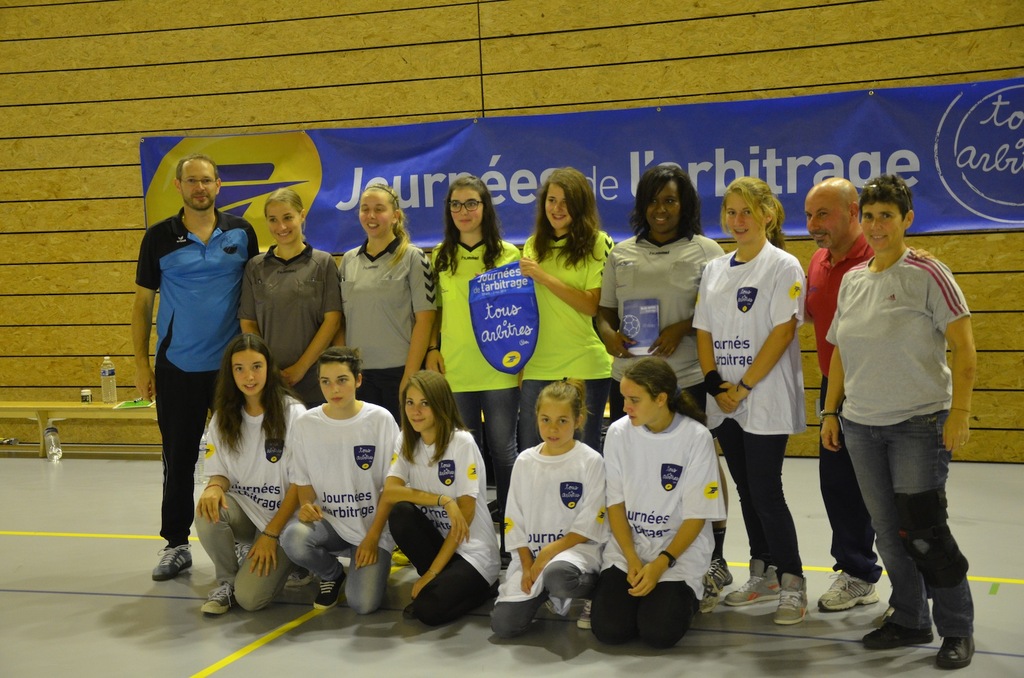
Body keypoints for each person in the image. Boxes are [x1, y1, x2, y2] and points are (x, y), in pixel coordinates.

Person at [821, 174, 976, 669]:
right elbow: (839, 350)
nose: (876, 225)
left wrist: (960, 413)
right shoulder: (853, 279)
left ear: (907, 219)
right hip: (861, 427)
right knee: (888, 534)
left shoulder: (928, 273)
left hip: (917, 424)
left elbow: (965, 349)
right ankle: (909, 617)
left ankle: (957, 627)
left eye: (886, 216)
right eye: (869, 216)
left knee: (925, 533)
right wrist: (831, 410)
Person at [596, 164, 732, 610]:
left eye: (670, 201)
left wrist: (682, 327)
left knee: (703, 468)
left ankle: (715, 558)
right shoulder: (621, 253)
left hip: (687, 378)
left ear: (684, 204)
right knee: (633, 469)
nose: (661, 209)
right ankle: (633, 553)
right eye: (653, 201)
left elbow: (716, 313)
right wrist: (608, 335)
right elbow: (604, 312)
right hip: (630, 379)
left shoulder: (707, 252)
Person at [133, 153, 258, 581]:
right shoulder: (158, 237)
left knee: (241, 457)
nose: (199, 188)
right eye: (191, 180)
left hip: (232, 370)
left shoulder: (241, 232)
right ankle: (176, 544)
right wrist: (141, 365)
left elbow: (255, 293)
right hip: (177, 367)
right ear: (179, 186)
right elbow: (142, 305)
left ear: (218, 185)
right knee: (179, 456)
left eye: (206, 180)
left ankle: (245, 536)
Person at [693, 176, 808, 625]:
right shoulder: (715, 269)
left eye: (747, 211)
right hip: (723, 400)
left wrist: (743, 387)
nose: (738, 220)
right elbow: (704, 329)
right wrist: (714, 384)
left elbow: (783, 332)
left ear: (768, 215)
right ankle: (764, 571)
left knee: (765, 489)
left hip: (764, 398)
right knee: (745, 489)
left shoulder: (783, 266)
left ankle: (793, 581)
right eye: (731, 212)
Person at [590, 358, 725, 648]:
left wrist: (661, 564)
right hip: (630, 547)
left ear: (661, 399)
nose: (625, 407)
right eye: (624, 398)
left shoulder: (696, 437)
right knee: (610, 631)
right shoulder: (617, 433)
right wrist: (632, 558)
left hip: (678, 552)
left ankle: (696, 589)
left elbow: (697, 516)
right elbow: (615, 504)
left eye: (634, 400)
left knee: (658, 633)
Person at [804, 178, 882, 612]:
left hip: (876, 388)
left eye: (823, 214)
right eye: (809, 215)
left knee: (889, 492)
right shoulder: (818, 261)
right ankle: (857, 573)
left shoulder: (876, 258)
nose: (813, 224)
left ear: (853, 212)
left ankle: (913, 591)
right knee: (838, 485)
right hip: (831, 388)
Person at [427, 175, 521, 524]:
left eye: (471, 203)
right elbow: (435, 310)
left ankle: (512, 526)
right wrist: (433, 348)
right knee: (467, 451)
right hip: (456, 368)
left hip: (499, 368)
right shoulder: (440, 255)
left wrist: (521, 362)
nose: (463, 211)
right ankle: (476, 526)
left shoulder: (508, 254)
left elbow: (520, 312)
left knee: (503, 450)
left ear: (485, 207)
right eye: (456, 204)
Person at [373, 370, 500, 626]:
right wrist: (443, 500)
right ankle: (442, 583)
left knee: (428, 611)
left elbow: (466, 514)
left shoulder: (461, 442)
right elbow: (391, 491)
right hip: (440, 545)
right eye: (410, 403)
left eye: (425, 403)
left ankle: (486, 587)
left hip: (472, 552)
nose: (416, 411)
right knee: (400, 512)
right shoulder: (406, 439)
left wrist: (432, 572)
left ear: (440, 404)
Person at [280, 347, 400, 613]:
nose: (334, 389)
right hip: (331, 524)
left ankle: (374, 563)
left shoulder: (380, 419)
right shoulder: (306, 424)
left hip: (372, 528)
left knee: (363, 604)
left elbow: (393, 488)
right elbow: (303, 480)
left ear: (358, 380)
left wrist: (373, 537)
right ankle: (332, 574)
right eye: (326, 382)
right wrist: (307, 505)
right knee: (293, 538)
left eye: (342, 380)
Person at [194, 334, 306, 614]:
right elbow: (220, 473)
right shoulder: (223, 416)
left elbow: (301, 485)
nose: (249, 376)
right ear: (230, 373)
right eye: (239, 369)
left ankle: (296, 558)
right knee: (207, 509)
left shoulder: (293, 413)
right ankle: (227, 582)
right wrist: (214, 487)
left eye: (256, 366)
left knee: (251, 599)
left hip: (286, 522)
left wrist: (270, 535)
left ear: (269, 367)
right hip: (247, 512)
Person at [491, 380, 606, 638]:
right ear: (536, 418)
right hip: (532, 558)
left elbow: (588, 525)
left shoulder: (590, 461)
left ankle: (595, 591)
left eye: (562, 421)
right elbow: (513, 519)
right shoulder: (525, 461)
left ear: (578, 420)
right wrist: (526, 563)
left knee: (558, 577)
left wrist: (544, 556)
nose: (553, 429)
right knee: (504, 625)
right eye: (546, 420)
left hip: (573, 554)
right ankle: (546, 595)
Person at [518, 168, 613, 452]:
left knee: (584, 455)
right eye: (551, 200)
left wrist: (544, 277)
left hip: (585, 364)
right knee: (532, 452)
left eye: (565, 202)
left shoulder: (599, 242)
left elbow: (591, 305)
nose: (557, 209)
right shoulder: (533, 245)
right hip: (538, 364)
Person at [336, 183, 436, 420]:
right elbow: (340, 321)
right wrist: (345, 371)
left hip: (399, 374)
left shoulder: (413, 258)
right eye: (365, 209)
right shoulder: (348, 260)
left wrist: (410, 377)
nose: (371, 216)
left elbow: (425, 319)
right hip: (359, 376)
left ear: (395, 216)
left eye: (379, 209)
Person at [239, 188, 342, 407]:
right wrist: (268, 367)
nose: (281, 227)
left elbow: (332, 321)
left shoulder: (323, 263)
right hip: (269, 381)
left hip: (315, 380)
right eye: (273, 220)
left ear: (302, 215)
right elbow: (248, 323)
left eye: (288, 217)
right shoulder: (255, 267)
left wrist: (300, 368)